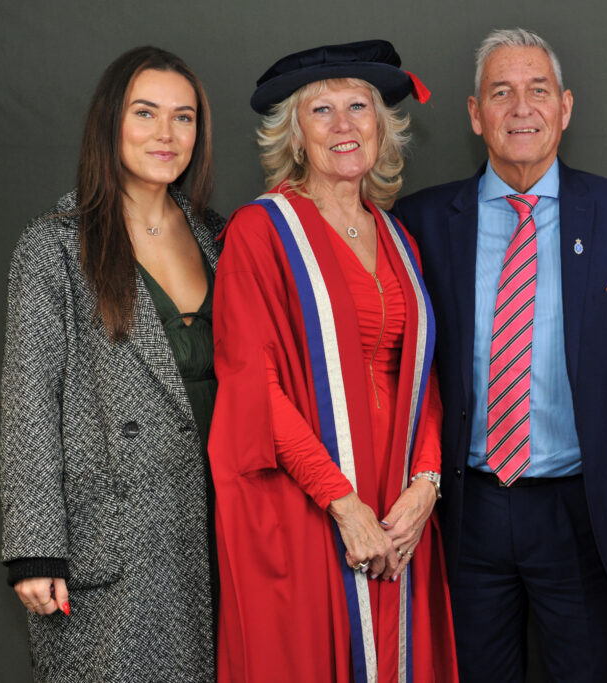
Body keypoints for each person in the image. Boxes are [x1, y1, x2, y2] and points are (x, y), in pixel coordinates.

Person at [393, 28, 607, 682]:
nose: (521, 108)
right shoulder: (422, 221)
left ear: (565, 108)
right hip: (467, 511)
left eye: (537, 90)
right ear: (474, 113)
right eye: (502, 92)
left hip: (583, 510)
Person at [208, 40, 457, 682]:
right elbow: (253, 388)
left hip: (395, 510)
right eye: (322, 111)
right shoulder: (261, 233)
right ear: (295, 136)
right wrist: (344, 504)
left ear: (382, 125)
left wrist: (424, 486)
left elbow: (421, 378)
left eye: (358, 106)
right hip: (309, 506)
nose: (344, 125)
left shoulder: (399, 238)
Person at [0, 46, 222, 681]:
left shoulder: (220, 236)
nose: (166, 133)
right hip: (115, 531)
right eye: (145, 112)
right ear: (109, 122)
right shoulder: (53, 247)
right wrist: (34, 547)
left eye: (184, 117)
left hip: (218, 514)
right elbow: (29, 401)